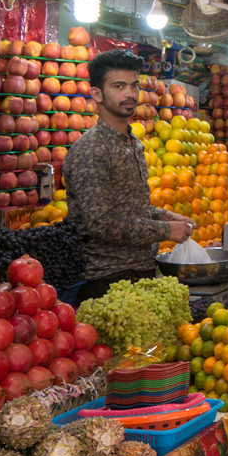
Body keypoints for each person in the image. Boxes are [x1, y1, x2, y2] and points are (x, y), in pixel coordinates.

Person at [64, 50, 192, 304]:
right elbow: (101, 223)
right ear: (97, 94)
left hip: (140, 273)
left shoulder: (132, 141)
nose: (130, 94)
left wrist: (162, 215)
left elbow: (129, 206)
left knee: (152, 346)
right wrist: (165, 229)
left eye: (133, 86)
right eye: (118, 86)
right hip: (107, 282)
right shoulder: (92, 149)